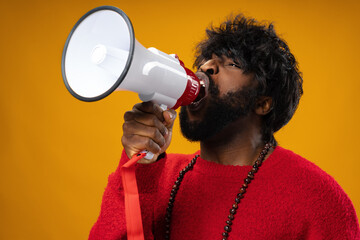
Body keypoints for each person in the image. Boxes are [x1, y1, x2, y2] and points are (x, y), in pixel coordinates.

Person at [89, 14, 360, 240]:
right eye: (206, 60)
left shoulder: (316, 196)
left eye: (231, 63)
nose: (206, 67)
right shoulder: (159, 172)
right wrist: (140, 166)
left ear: (263, 103)